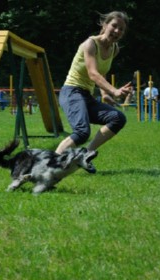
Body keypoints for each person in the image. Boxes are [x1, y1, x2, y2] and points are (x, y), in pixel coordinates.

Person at [55, 11, 131, 173]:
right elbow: (93, 73)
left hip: (86, 96)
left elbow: (101, 71)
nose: (117, 31)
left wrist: (104, 94)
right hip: (72, 92)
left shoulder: (114, 49)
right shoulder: (90, 44)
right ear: (104, 25)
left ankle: (85, 155)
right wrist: (113, 90)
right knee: (82, 132)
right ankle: (50, 165)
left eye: (121, 29)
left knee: (118, 118)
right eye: (114, 26)